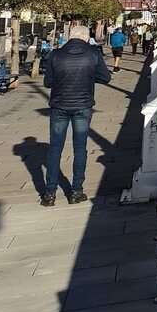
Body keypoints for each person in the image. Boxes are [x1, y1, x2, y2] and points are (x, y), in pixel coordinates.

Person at [42, 24, 111, 206]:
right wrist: (89, 76)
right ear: (86, 37)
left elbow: (48, 83)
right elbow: (106, 77)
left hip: (59, 106)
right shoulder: (93, 53)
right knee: (80, 148)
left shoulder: (55, 54)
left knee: (55, 148)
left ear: (70, 36)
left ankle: (49, 194)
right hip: (83, 105)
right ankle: (76, 192)